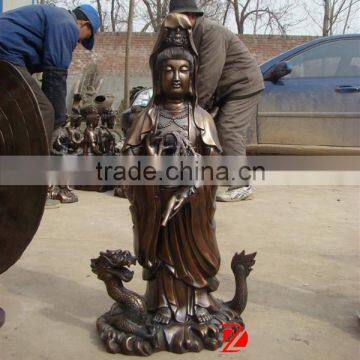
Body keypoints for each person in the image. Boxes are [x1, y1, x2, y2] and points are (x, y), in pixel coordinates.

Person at [122, 15, 222, 325]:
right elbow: (129, 154)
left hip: (192, 207)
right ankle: (163, 303)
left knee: (194, 251)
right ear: (157, 76)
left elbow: (213, 163)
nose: (176, 77)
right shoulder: (149, 117)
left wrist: (194, 189)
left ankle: (199, 299)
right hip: (157, 204)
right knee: (164, 259)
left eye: (183, 70)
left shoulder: (201, 118)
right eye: (168, 70)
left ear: (193, 76)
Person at [0, 3, 101, 206]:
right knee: (42, 111)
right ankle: (30, 182)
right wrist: (58, 122)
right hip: (5, 54)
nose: (78, 43)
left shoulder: (52, 16)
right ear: (84, 24)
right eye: (84, 38)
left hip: (8, 54)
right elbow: (55, 77)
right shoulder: (67, 24)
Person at [169, 0, 265, 202]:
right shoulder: (189, 34)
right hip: (226, 89)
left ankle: (241, 184)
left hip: (243, 85)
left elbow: (208, 77)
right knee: (213, 129)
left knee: (228, 128)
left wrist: (193, 109)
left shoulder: (211, 33)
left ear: (192, 16)